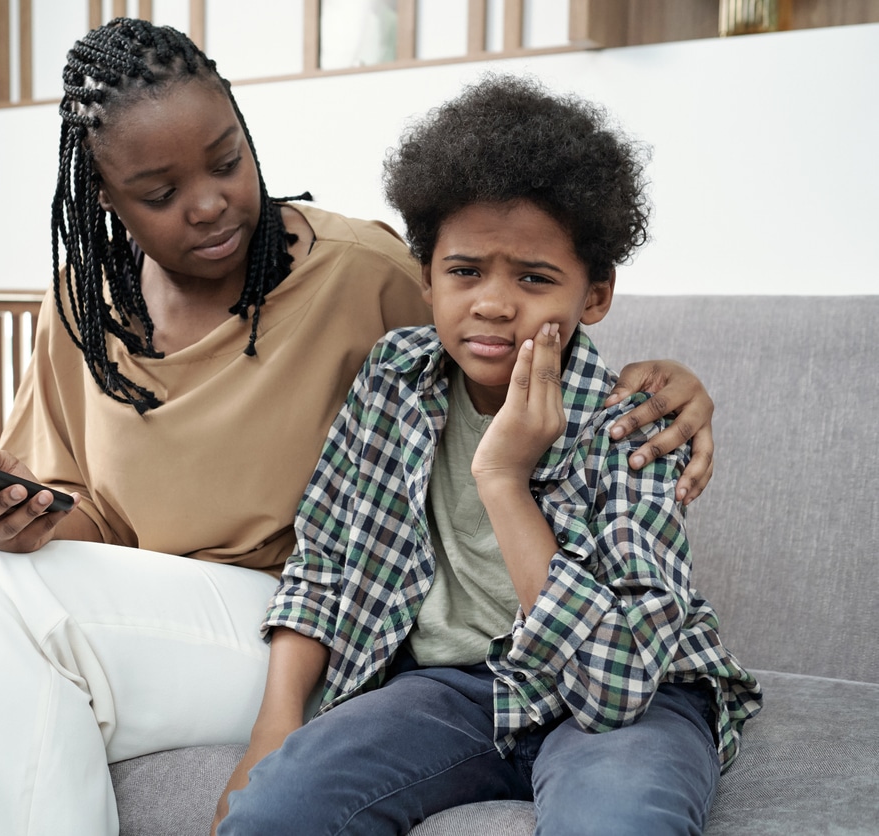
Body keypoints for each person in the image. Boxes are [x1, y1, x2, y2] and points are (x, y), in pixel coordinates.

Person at [0, 21, 721, 836]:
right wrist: (19, 518)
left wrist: (649, 394)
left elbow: (523, 304)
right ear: (106, 202)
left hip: (348, 629)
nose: (206, 203)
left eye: (224, 161)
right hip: (363, 657)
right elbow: (122, 518)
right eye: (160, 190)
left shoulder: (369, 279)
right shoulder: (100, 315)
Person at [214, 76, 763, 836]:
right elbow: (323, 562)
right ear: (428, 276)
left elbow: (618, 689)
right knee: (275, 811)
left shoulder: (636, 425)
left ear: (595, 295)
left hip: (621, 695)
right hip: (453, 690)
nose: (495, 303)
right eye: (465, 271)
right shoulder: (394, 379)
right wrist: (276, 725)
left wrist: (504, 480)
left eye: (535, 279)